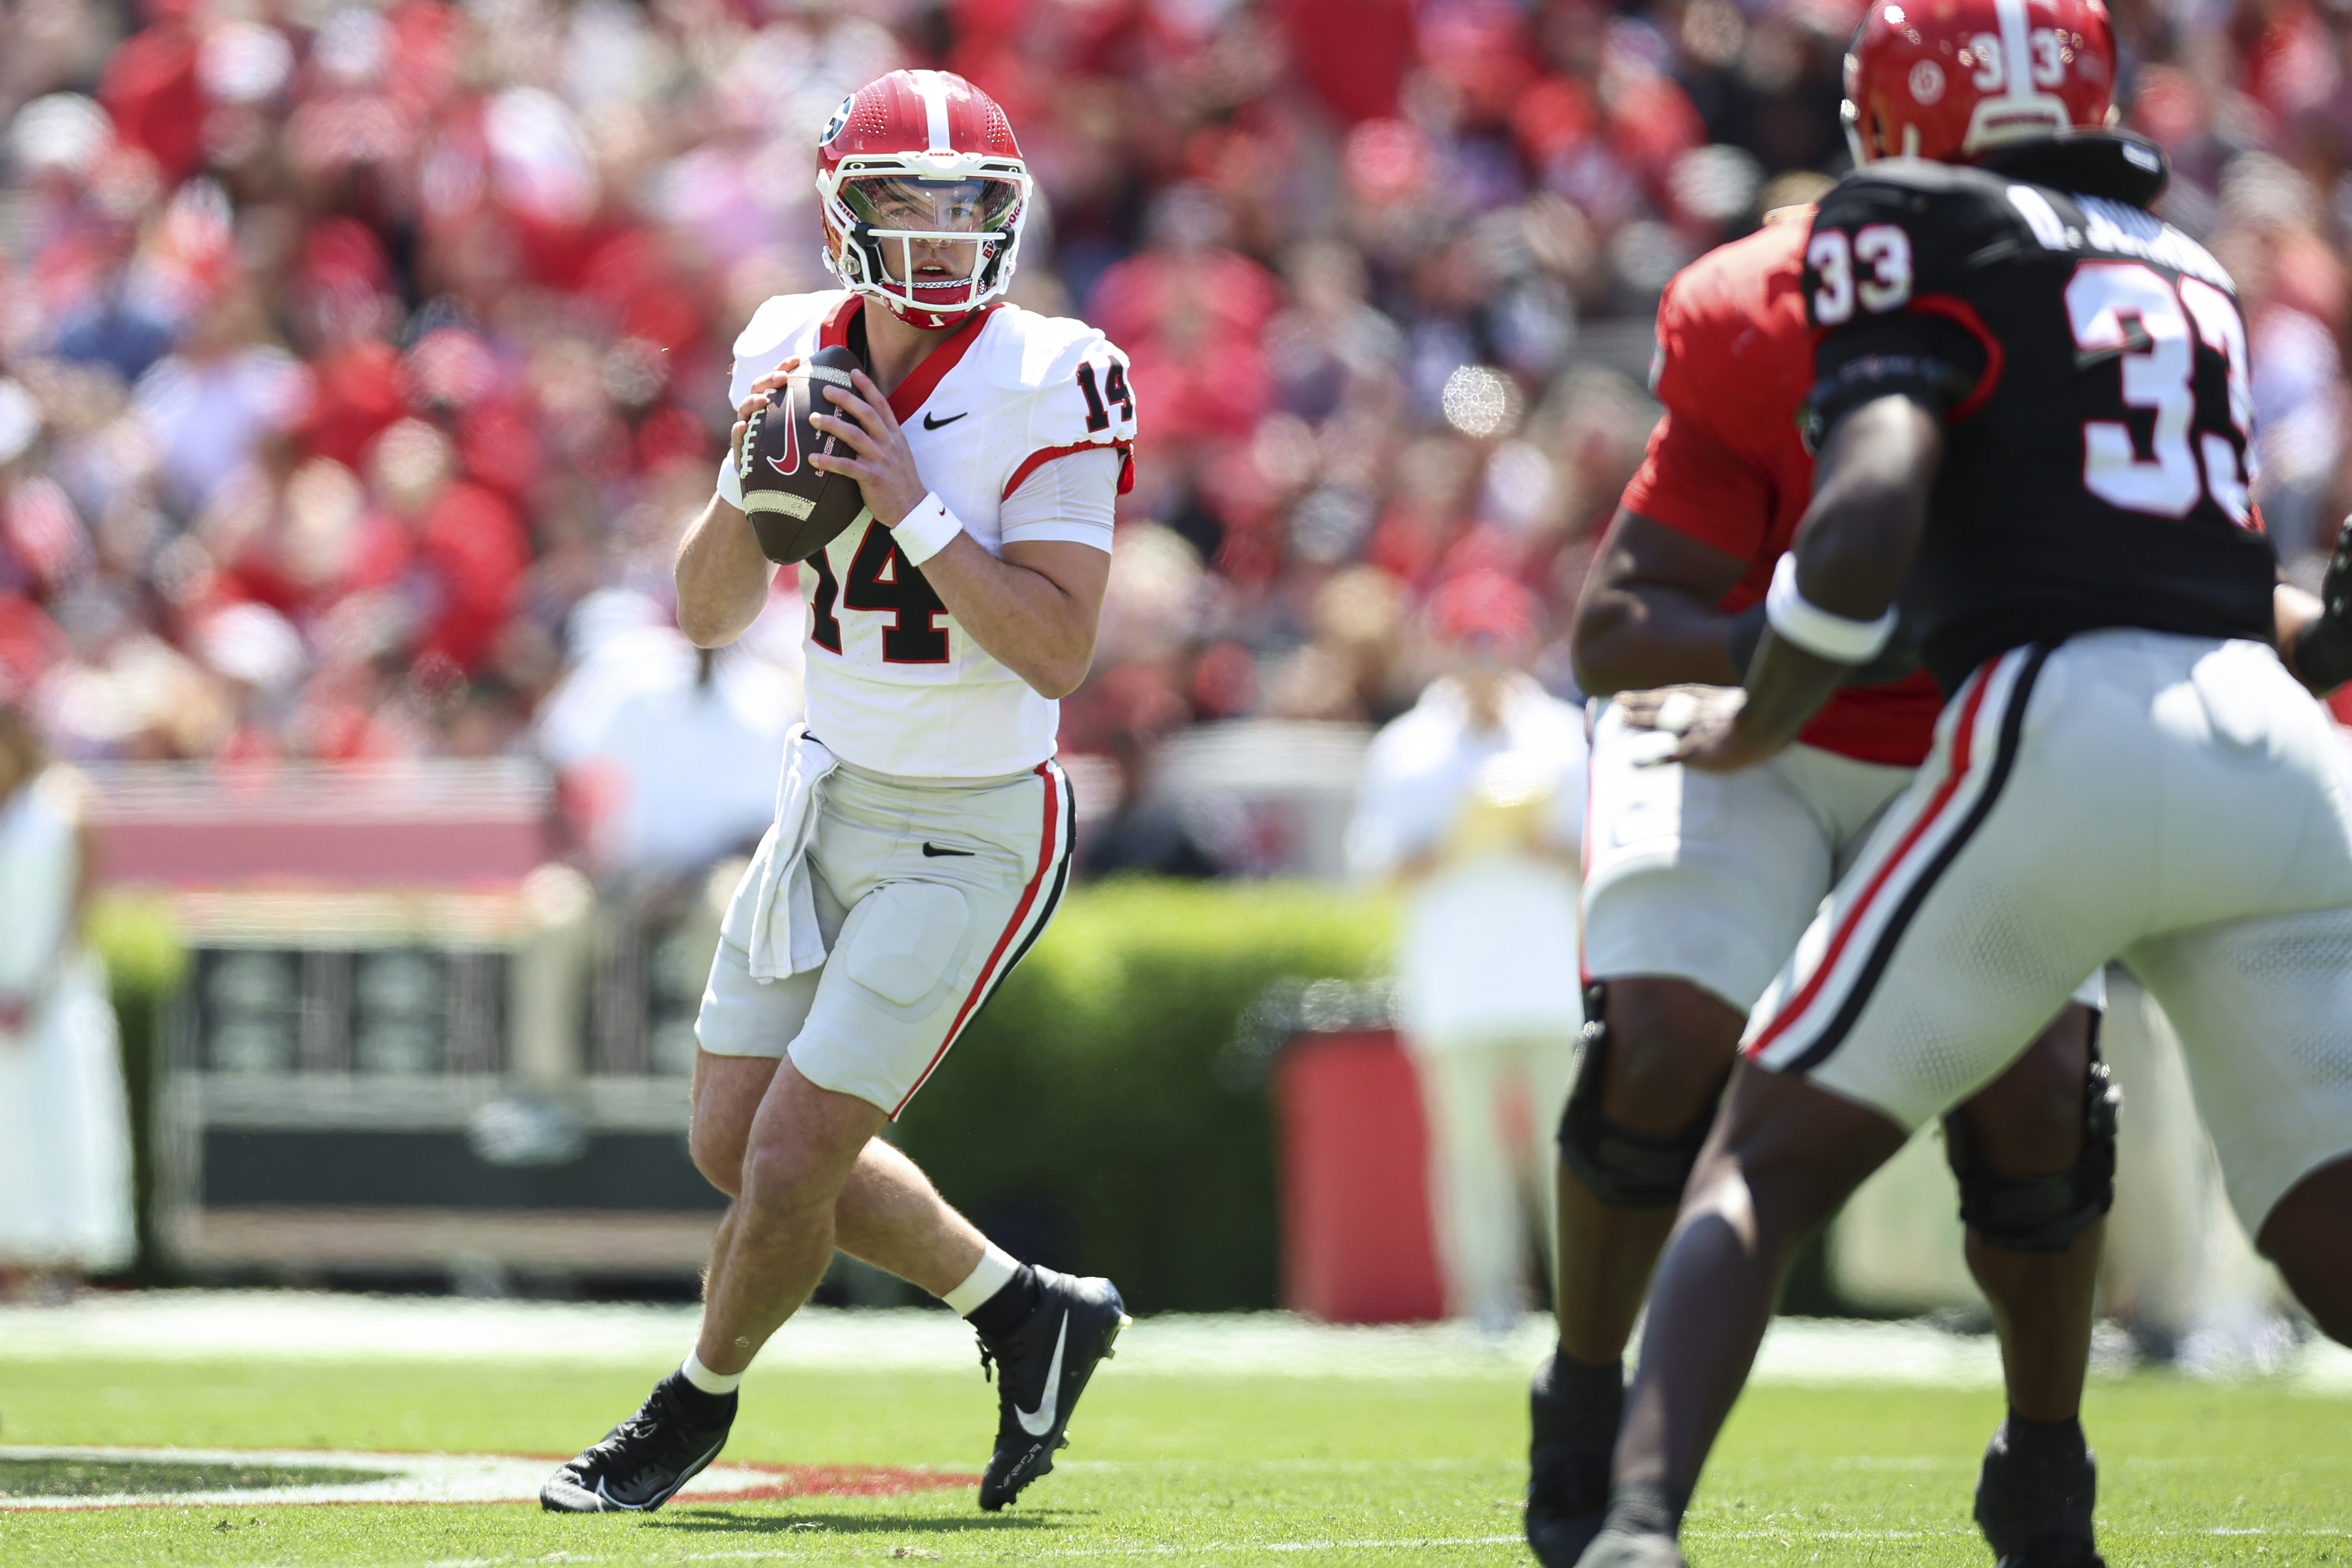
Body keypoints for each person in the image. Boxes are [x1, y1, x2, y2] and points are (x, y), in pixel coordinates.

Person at [1574, 2, 2352, 1562]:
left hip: (2064, 723)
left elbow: (1861, 527)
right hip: (2276, 751)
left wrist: (1763, 707)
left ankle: (1634, 1525)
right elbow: (2242, 594)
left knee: (1765, 1156)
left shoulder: (1908, 222)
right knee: (2334, 1235)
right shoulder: (2177, 261)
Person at [540, 69, 1139, 1516]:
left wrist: (911, 501)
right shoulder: (785, 344)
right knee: (726, 1141)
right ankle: (1025, 1309)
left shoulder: (1059, 369)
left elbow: (1060, 649)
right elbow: (700, 610)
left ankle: (693, 1408)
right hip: (827, 793)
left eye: (967, 208)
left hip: (978, 819)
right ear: (841, 217)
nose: (937, 237)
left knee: (797, 1151)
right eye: (904, 205)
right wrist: (753, 478)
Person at [1542, 127, 2118, 1568]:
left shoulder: (2117, 315)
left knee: (2044, 1100)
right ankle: (1586, 1392)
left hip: (1974, 740)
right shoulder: (1761, 315)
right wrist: (1813, 647)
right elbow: (1616, 632)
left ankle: (2043, 1457)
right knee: (1661, 1045)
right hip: (1754, 727)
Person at [1346, 570, 1587, 1332]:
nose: (1485, 663)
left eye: (1497, 644)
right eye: (1470, 646)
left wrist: (1535, 836)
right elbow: (1377, 868)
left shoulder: (1562, 733)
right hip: (1454, 988)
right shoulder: (1409, 748)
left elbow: (1599, 854)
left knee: (1568, 1153)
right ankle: (1486, 1303)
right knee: (1472, 1156)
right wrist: (1459, 838)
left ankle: (1586, 1300)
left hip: (1551, 984)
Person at [0, 698, 136, 1297]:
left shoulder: (67, 798)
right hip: (5, 991)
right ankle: (18, 1257)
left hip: (58, 989)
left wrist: (39, 986)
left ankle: (73, 1256)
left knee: (70, 1113)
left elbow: (83, 902)